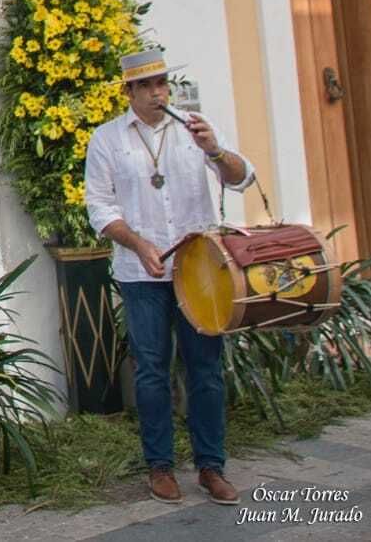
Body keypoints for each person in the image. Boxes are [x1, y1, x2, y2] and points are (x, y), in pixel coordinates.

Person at [84, 48, 255, 507]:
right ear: (130, 92)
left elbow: (243, 179)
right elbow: (100, 209)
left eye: (164, 83)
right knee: (152, 374)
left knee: (205, 370)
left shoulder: (193, 132)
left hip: (198, 271)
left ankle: (211, 467)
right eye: (149, 86)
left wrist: (214, 150)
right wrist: (139, 244)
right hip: (142, 274)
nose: (160, 93)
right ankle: (160, 467)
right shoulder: (107, 139)